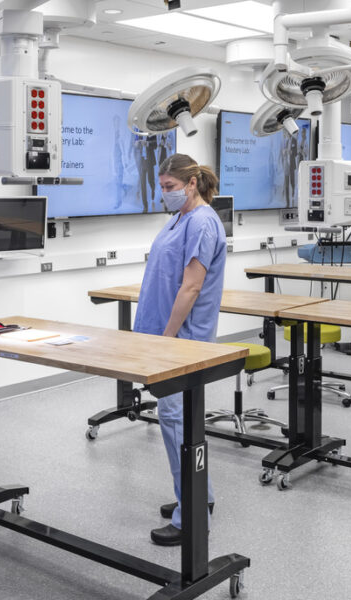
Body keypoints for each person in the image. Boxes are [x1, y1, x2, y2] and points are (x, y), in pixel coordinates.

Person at [134, 153, 227, 546]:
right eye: (162, 188)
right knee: (180, 424)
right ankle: (195, 497)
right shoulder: (180, 218)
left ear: (191, 184)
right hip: (165, 336)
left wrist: (167, 340)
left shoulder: (203, 222)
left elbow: (190, 286)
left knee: (177, 425)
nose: (164, 195)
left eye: (170, 188)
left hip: (181, 340)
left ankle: (190, 514)